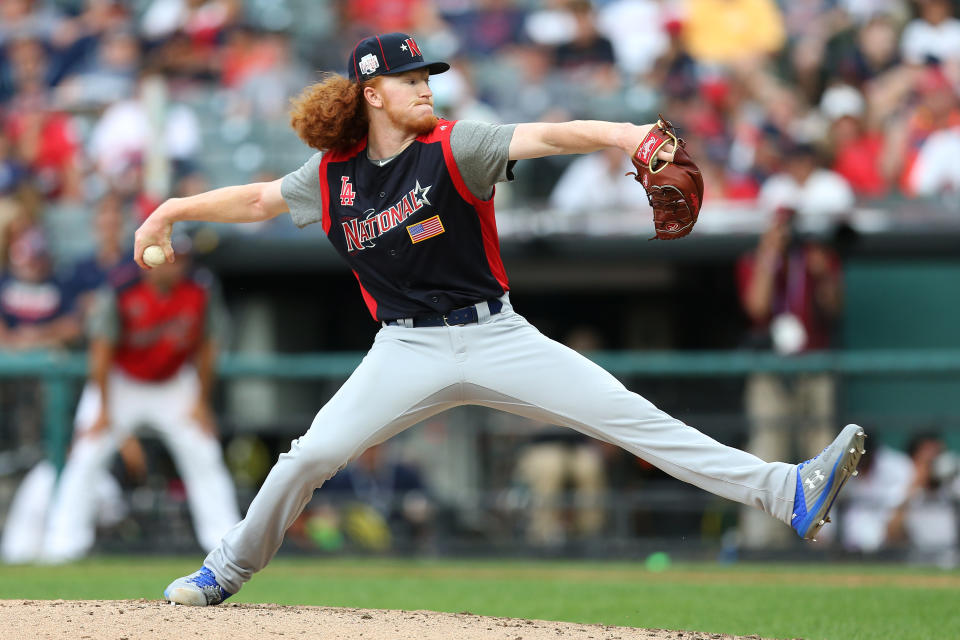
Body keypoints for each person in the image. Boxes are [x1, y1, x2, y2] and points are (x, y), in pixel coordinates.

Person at [137, 32, 866, 606]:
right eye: (410, 79)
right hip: (405, 350)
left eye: (428, 77)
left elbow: (548, 137)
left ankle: (788, 492)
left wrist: (625, 135)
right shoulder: (332, 176)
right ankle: (224, 571)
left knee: (636, 419)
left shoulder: (456, 144)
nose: (425, 87)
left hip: (497, 335)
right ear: (373, 95)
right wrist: (172, 207)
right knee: (309, 457)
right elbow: (260, 201)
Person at [41, 236, 239, 562]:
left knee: (203, 453)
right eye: (174, 256)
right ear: (153, 260)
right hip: (120, 382)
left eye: (183, 256)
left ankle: (225, 546)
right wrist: (103, 410)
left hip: (173, 381)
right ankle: (62, 546)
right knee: (86, 456)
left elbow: (208, 348)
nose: (180, 262)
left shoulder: (200, 290)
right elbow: (101, 352)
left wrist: (201, 402)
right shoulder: (122, 288)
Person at [735, 206, 845, 547]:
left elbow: (834, 309)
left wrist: (822, 273)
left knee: (824, 447)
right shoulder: (755, 259)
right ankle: (762, 541)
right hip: (771, 367)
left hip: (813, 364)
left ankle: (826, 537)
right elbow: (757, 306)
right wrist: (770, 253)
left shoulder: (819, 259)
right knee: (768, 447)